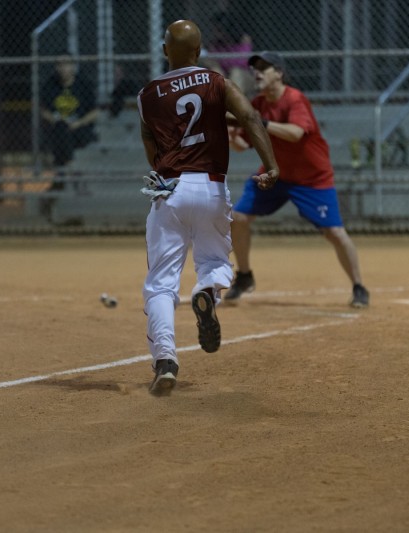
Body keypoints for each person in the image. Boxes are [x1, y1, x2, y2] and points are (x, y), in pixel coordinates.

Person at [137, 20, 279, 395]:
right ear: (199, 52)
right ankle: (207, 290)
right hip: (212, 188)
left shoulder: (147, 95)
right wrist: (272, 165)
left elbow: (153, 150)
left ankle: (165, 359)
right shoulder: (216, 81)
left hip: (170, 191)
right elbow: (249, 117)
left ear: (166, 50)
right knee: (214, 263)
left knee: (160, 285)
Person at [225, 52, 369, 308]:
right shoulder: (257, 104)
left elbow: (295, 133)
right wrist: (232, 135)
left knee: (334, 232)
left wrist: (259, 122)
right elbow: (241, 145)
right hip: (274, 174)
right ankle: (245, 276)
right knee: (239, 217)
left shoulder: (294, 99)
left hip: (311, 178)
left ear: (279, 73)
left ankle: (359, 286)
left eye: (264, 68)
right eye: (254, 69)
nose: (256, 73)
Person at [40, 55, 100, 172]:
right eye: (59, 65)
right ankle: (70, 166)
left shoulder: (83, 85)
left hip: (80, 129)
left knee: (62, 134)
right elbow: (43, 110)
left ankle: (62, 173)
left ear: (73, 66)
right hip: (58, 128)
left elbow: (95, 112)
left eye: (66, 64)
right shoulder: (50, 85)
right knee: (61, 129)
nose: (63, 68)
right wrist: (55, 120)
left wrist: (78, 123)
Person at [201, 11, 255, 98]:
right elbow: (210, 61)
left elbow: (241, 62)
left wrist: (220, 62)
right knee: (215, 70)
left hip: (243, 75)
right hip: (225, 76)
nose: (215, 32)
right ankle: (221, 104)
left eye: (218, 29)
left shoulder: (243, 40)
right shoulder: (216, 44)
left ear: (227, 28)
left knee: (235, 71)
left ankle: (234, 105)